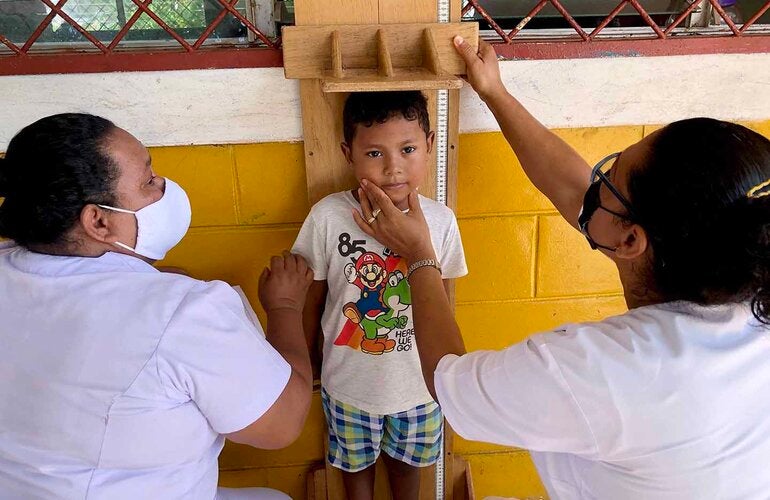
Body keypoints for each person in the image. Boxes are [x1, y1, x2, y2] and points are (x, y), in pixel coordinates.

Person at [351, 37, 770, 499]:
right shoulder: (744, 267)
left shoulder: (606, 371)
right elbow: (580, 194)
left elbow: (449, 382)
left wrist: (420, 256)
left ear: (631, 239)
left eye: (610, 177)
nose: (596, 181)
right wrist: (494, 93)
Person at [0, 113, 313, 499]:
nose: (164, 188)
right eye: (148, 182)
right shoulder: (185, 314)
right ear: (98, 221)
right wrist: (284, 308)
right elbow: (281, 424)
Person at [292, 91, 467, 500]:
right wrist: (308, 364)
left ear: (429, 145)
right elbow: (312, 298)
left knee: (408, 476)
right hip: (348, 386)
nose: (393, 168)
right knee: (356, 479)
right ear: (347, 153)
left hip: (419, 390)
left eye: (407, 149)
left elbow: (440, 303)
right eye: (374, 153)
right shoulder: (328, 216)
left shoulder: (441, 222)